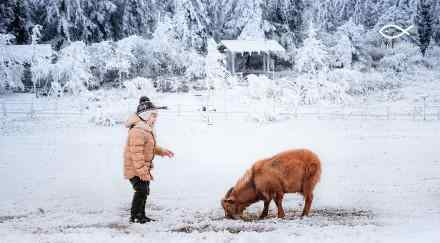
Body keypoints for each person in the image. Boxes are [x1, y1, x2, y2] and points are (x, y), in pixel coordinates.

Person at [123, 96, 174, 223]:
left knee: (144, 190)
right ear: (145, 116)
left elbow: (150, 147)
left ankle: (141, 215)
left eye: (156, 116)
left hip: (143, 168)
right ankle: (135, 216)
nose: (155, 119)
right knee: (141, 190)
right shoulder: (137, 131)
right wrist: (142, 171)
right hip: (135, 169)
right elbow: (137, 154)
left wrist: (162, 151)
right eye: (153, 116)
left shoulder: (145, 130)